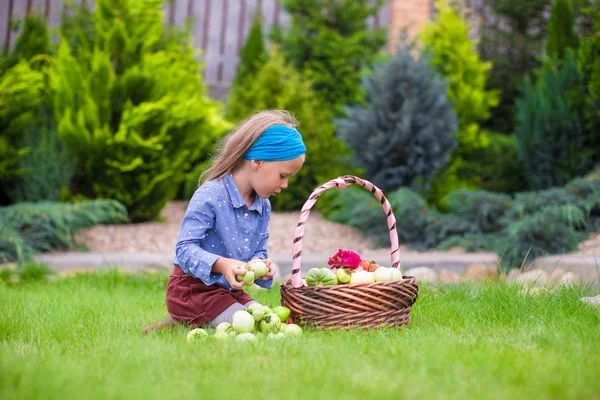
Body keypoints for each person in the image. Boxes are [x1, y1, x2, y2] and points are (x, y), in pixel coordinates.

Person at [144, 110, 305, 333]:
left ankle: (189, 321)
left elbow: (258, 249)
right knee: (252, 327)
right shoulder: (211, 195)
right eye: (282, 176)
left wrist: (260, 265)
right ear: (257, 161)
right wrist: (223, 264)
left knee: (268, 320)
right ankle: (187, 315)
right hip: (192, 289)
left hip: (227, 291)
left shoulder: (262, 205)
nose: (285, 185)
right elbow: (184, 249)